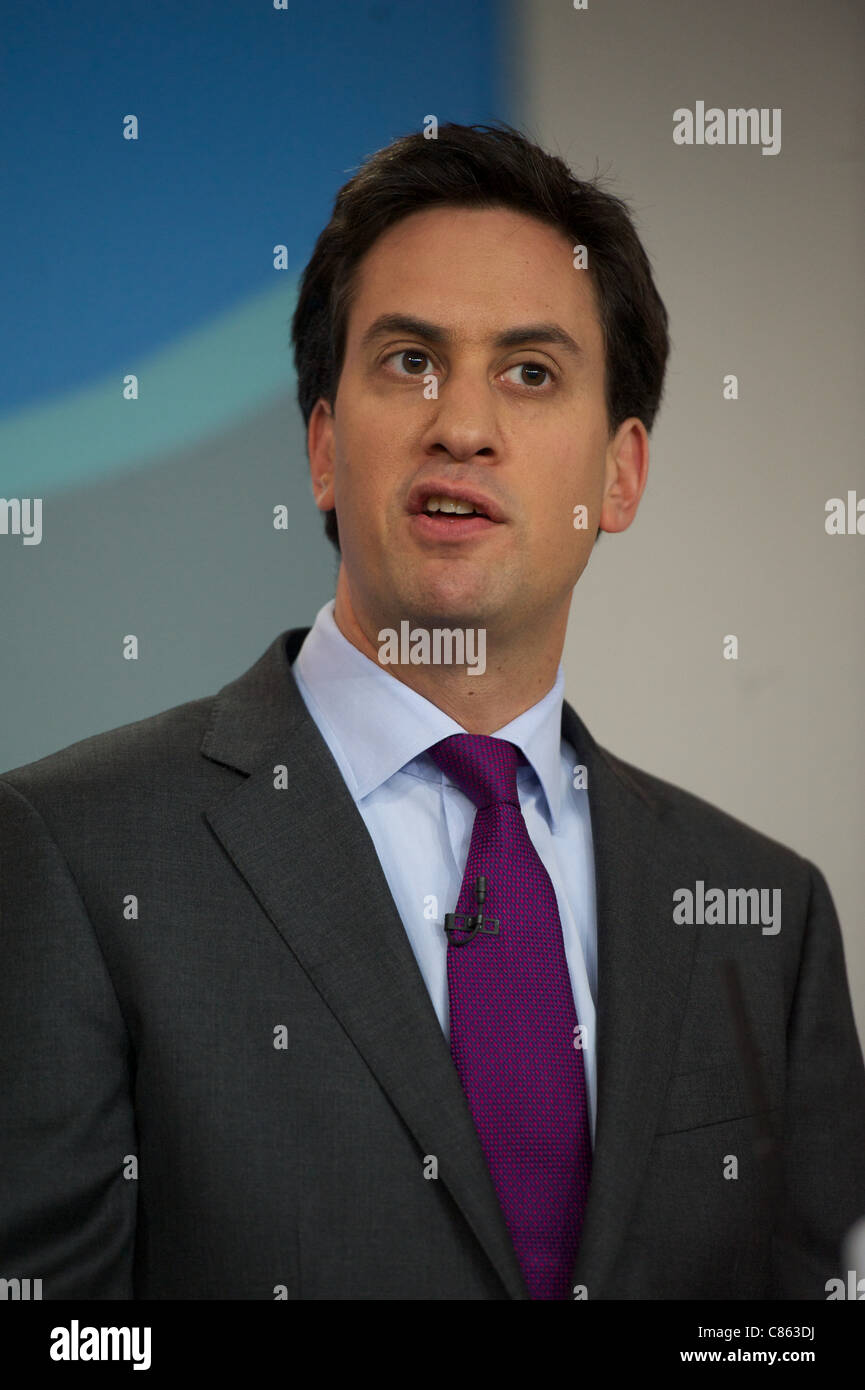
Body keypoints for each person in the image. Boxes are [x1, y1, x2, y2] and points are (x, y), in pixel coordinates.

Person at [1, 122, 863, 1301]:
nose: (462, 425)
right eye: (408, 360)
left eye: (530, 371)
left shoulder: (769, 920)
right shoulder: (75, 855)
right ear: (320, 445)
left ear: (620, 475)